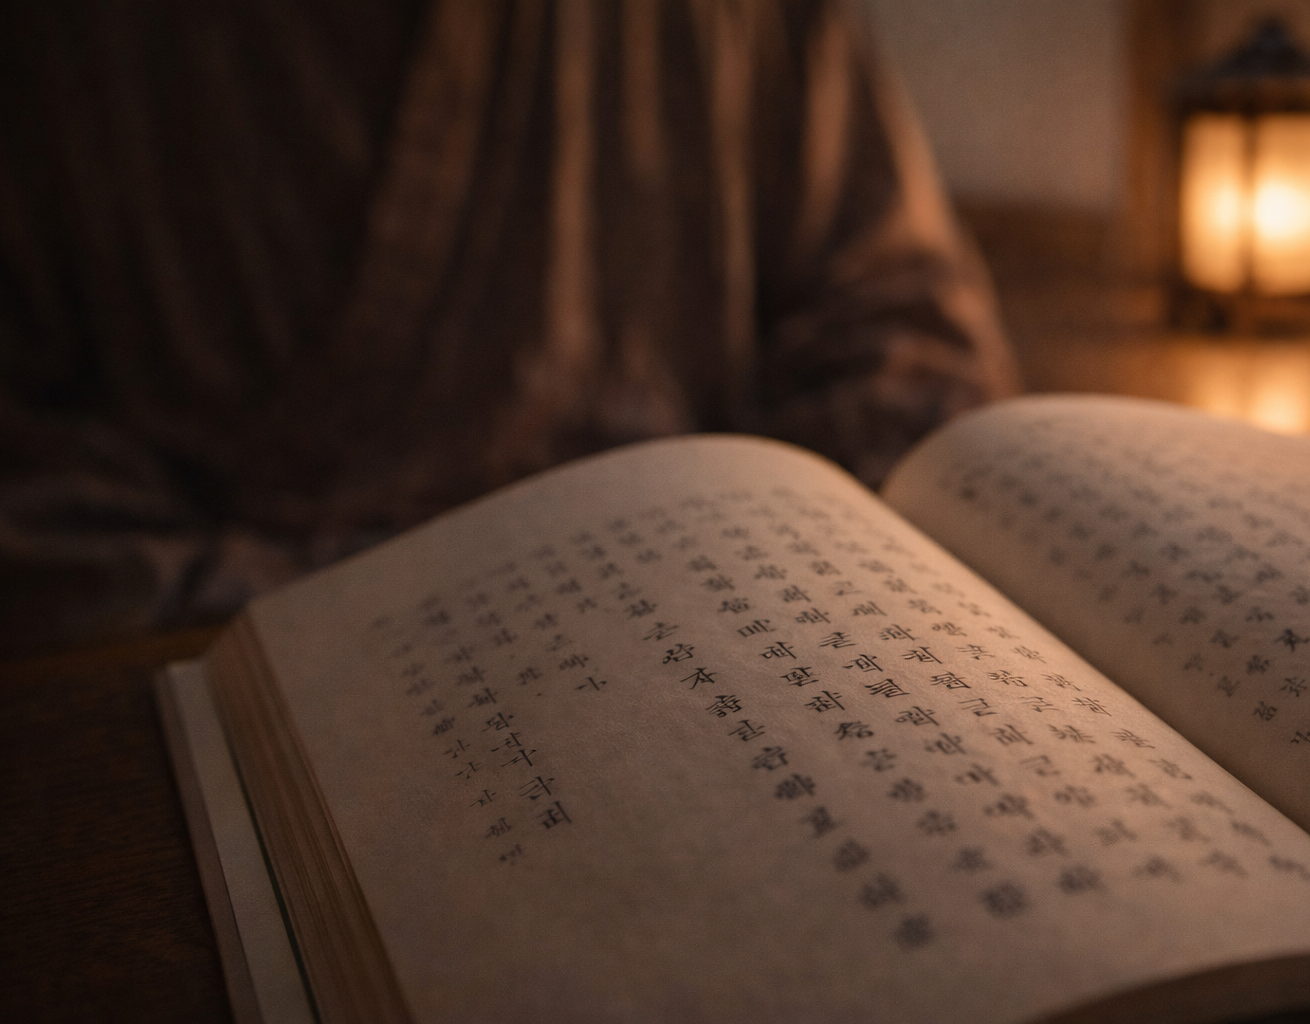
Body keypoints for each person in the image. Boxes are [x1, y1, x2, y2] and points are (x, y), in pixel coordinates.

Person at [0, 0, 1018, 655]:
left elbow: (910, 354)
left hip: (690, 635)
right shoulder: (78, 43)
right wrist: (361, 624)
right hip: (214, 663)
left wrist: (711, 575)